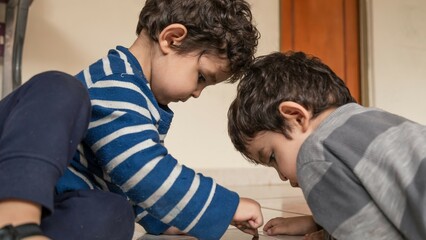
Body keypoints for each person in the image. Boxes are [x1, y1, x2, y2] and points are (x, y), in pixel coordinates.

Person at [0, 0, 262, 239]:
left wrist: (166, 217)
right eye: (202, 77)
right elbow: (144, 169)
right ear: (171, 39)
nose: (196, 93)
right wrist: (227, 205)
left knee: (115, 211)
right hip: (9, 178)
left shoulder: (141, 100)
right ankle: (15, 218)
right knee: (59, 87)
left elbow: (125, 179)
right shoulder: (115, 82)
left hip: (54, 201)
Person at [227, 51, 426, 240]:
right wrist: (325, 223)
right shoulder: (372, 118)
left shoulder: (314, 154)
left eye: (272, 157)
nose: (282, 176)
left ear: (297, 117)